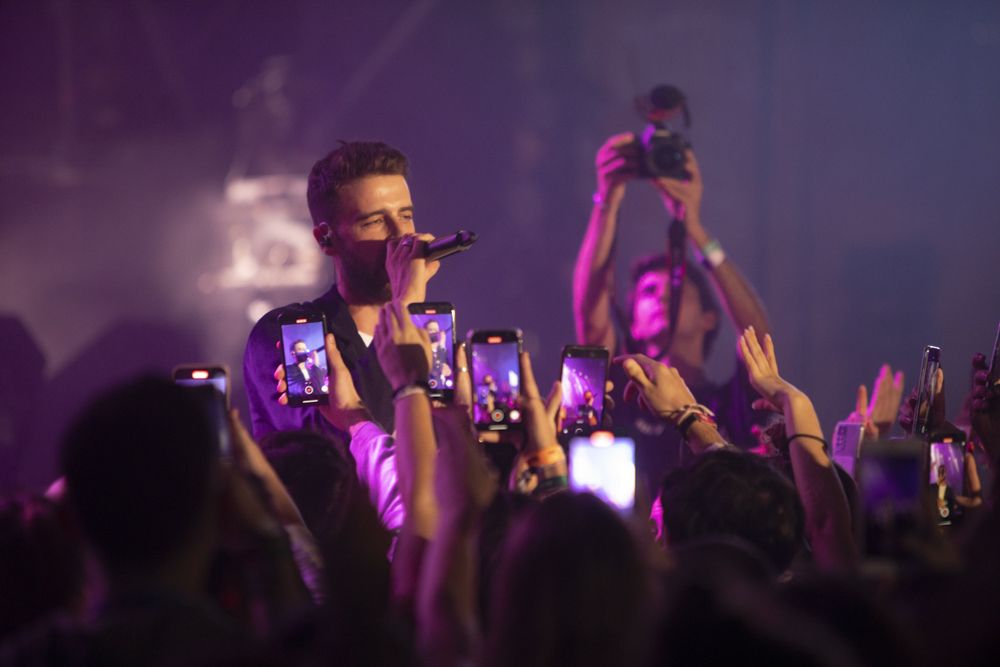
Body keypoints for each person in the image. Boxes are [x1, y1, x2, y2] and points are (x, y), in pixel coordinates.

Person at [573, 133, 772, 492]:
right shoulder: (616, 392)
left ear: (709, 319)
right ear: (633, 319)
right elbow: (591, 313)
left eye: (676, 287)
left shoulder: (730, 401)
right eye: (648, 292)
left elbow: (757, 332)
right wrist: (608, 201)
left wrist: (693, 226)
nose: (661, 296)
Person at [244, 140, 439, 441]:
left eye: (405, 216)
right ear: (325, 239)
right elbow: (336, 447)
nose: (402, 236)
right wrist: (406, 304)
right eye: (375, 222)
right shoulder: (291, 333)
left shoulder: (430, 333)